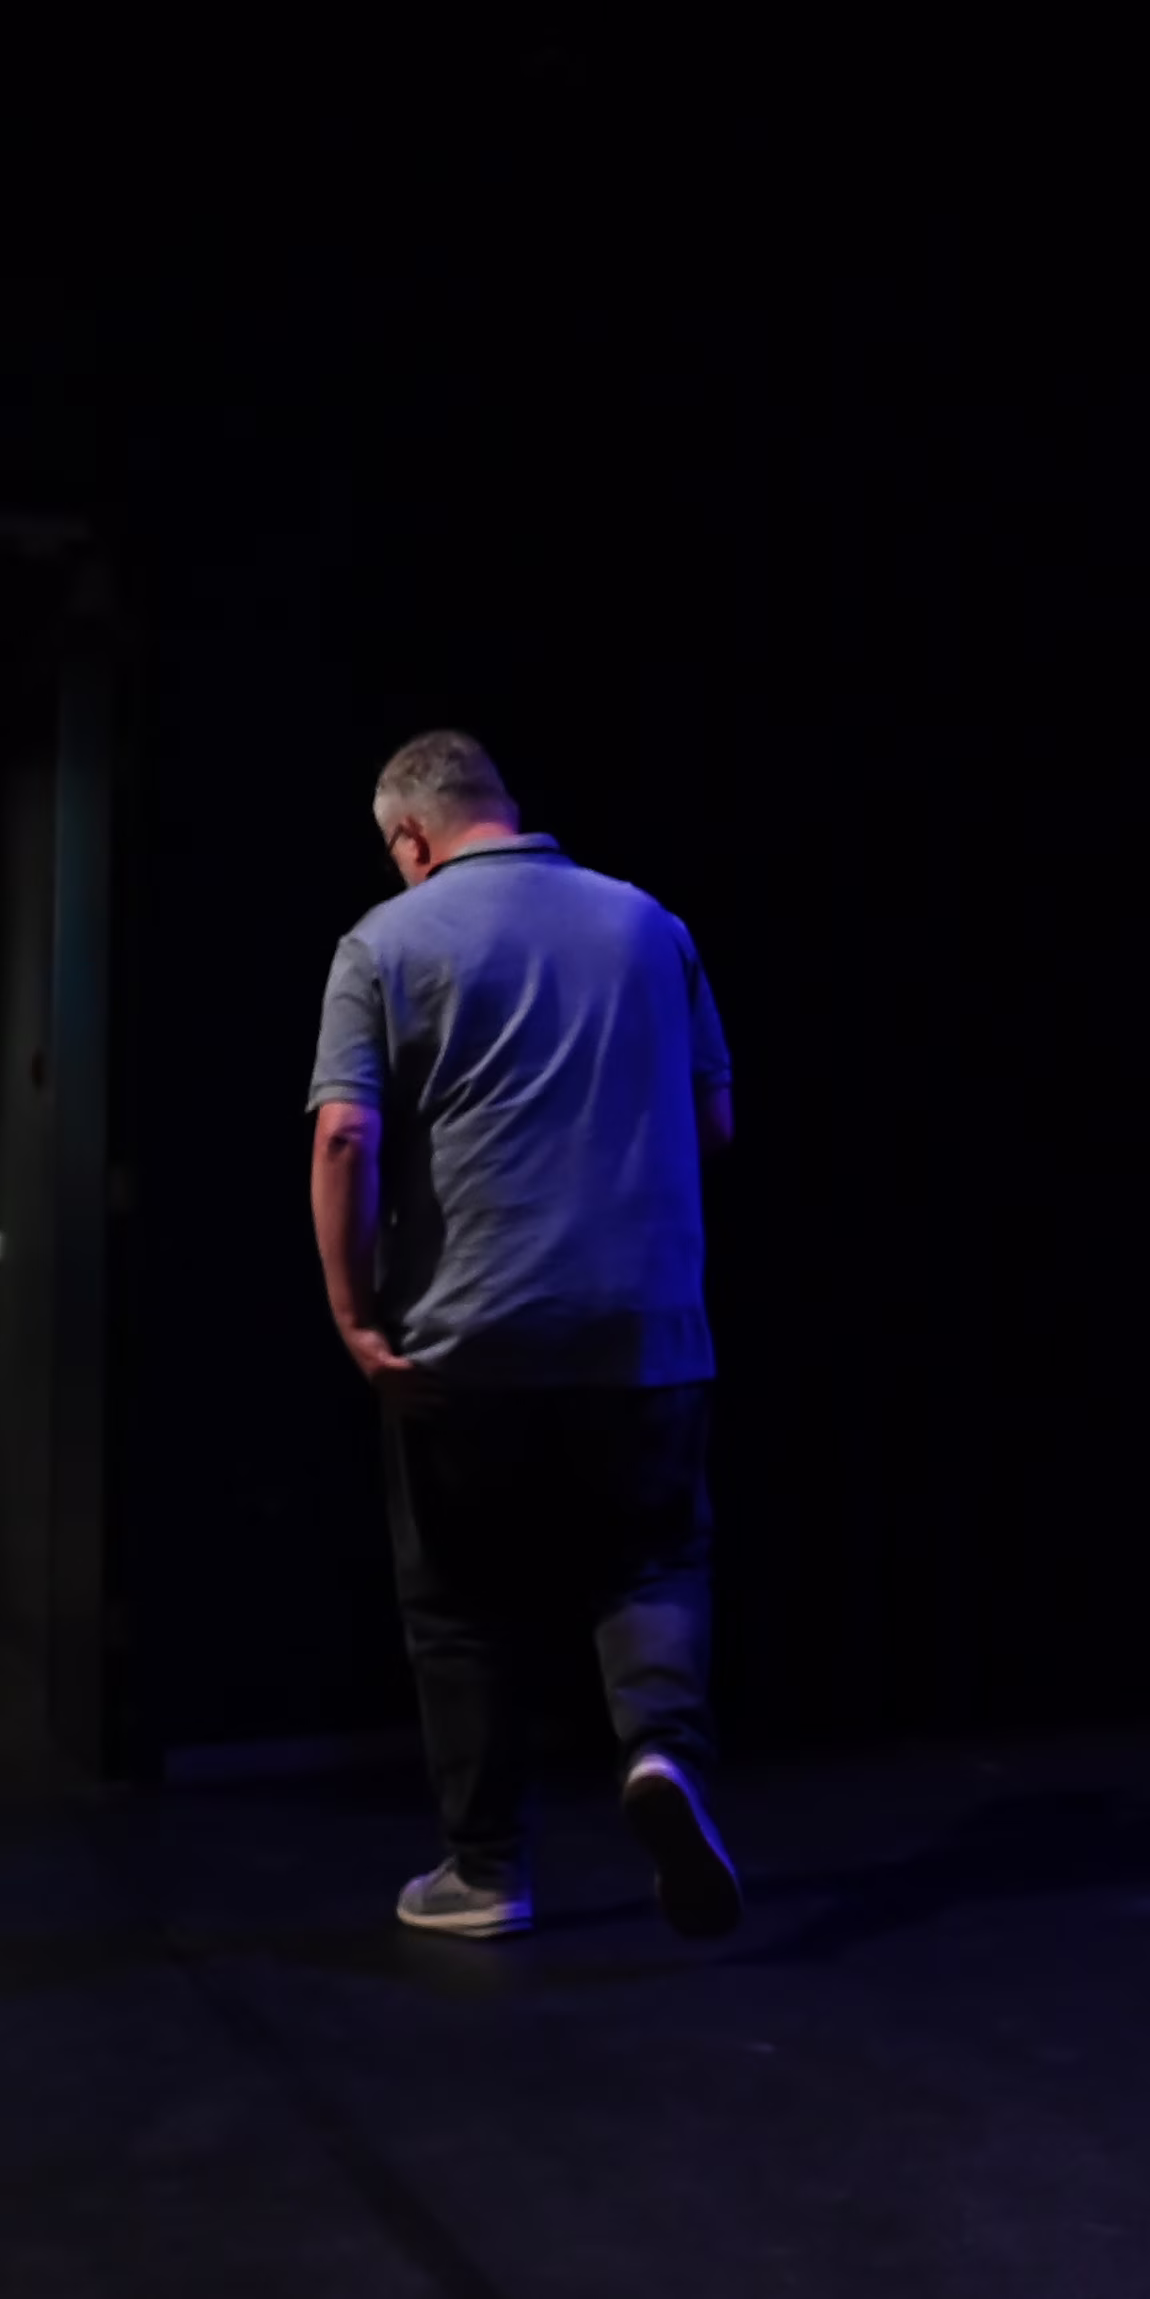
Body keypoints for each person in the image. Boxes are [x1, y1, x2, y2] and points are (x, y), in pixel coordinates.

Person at [304, 730, 739, 1944]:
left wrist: (353, 1314)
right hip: (645, 1331)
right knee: (650, 1561)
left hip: (469, 1336)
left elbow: (344, 1136)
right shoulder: (650, 923)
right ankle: (661, 1752)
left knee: (461, 1602)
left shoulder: (384, 942)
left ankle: (487, 1871)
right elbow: (714, 1120)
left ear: (411, 836)